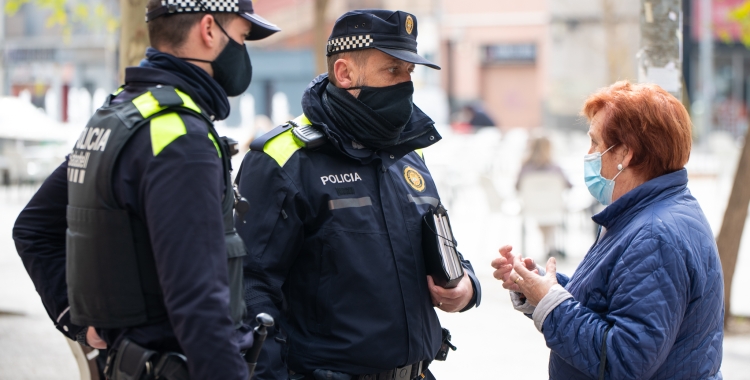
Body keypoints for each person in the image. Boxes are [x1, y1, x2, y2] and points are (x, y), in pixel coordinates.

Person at [12, 0, 279, 378]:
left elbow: (34, 228)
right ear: (208, 29)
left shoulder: (117, 117)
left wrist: (81, 322)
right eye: (241, 36)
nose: (243, 52)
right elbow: (199, 305)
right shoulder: (182, 138)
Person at [235, 9, 481, 380]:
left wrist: (466, 286)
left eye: (409, 73)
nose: (406, 86)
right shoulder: (284, 159)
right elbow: (248, 287)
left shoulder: (408, 155)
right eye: (393, 71)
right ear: (345, 73)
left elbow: (443, 248)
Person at [492, 81, 724, 379]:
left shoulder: (655, 235)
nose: (588, 153)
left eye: (596, 143)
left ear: (625, 154)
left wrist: (551, 303)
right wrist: (539, 286)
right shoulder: (652, 213)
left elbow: (625, 359)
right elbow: (614, 299)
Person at [515, 136, 571, 259]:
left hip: (532, 207)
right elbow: (569, 185)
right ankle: (551, 246)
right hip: (553, 206)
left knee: (542, 213)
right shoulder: (556, 168)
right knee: (548, 214)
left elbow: (516, 187)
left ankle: (549, 246)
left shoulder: (525, 168)